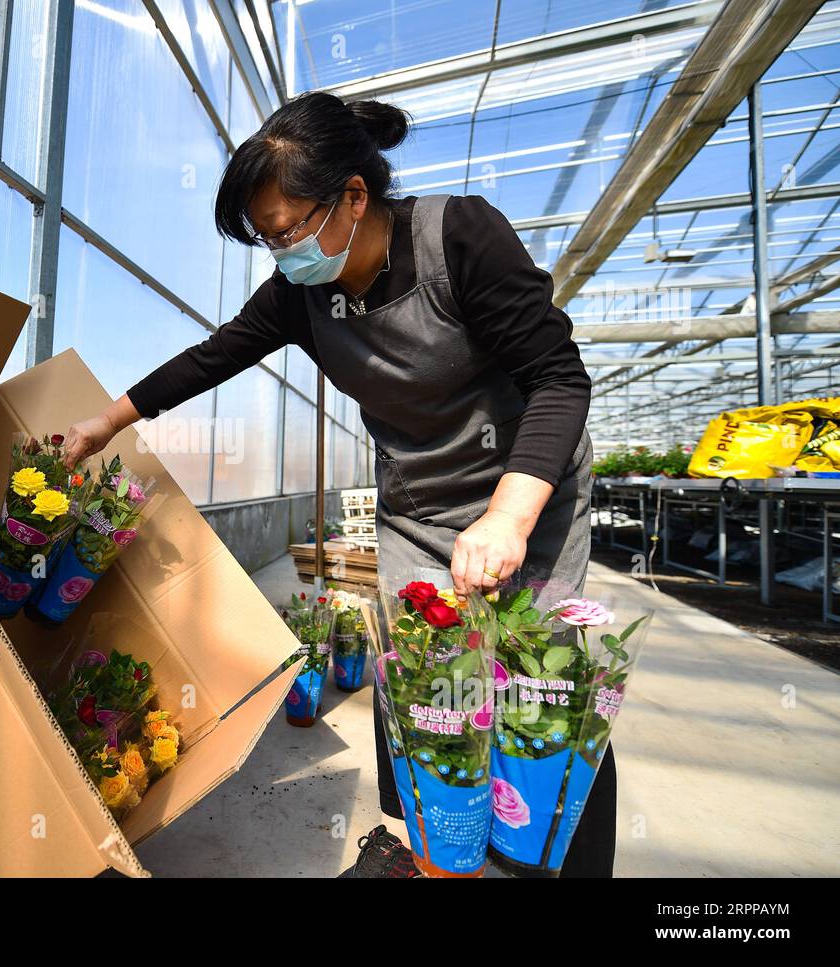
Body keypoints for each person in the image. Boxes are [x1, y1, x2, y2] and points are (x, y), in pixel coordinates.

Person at [62, 91, 611, 878]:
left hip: (528, 490)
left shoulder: (460, 236)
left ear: (354, 195)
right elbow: (213, 355)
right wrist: (105, 424)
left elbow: (560, 380)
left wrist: (511, 516)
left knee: (538, 699)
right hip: (420, 508)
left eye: (287, 230)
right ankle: (435, 853)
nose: (281, 252)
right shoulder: (302, 293)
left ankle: (554, 860)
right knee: (427, 688)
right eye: (267, 237)